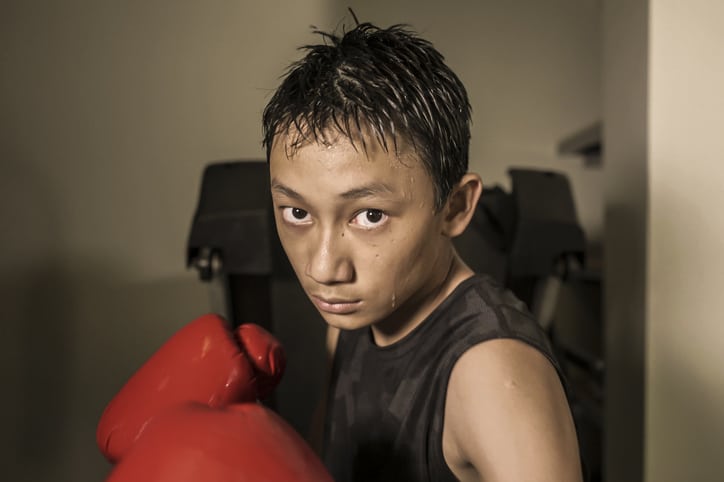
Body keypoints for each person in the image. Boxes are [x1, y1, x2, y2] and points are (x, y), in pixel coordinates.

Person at [262, 20, 583, 482]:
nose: (323, 267)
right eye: (297, 213)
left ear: (454, 207)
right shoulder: (348, 325)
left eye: (368, 215)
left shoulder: (494, 377)